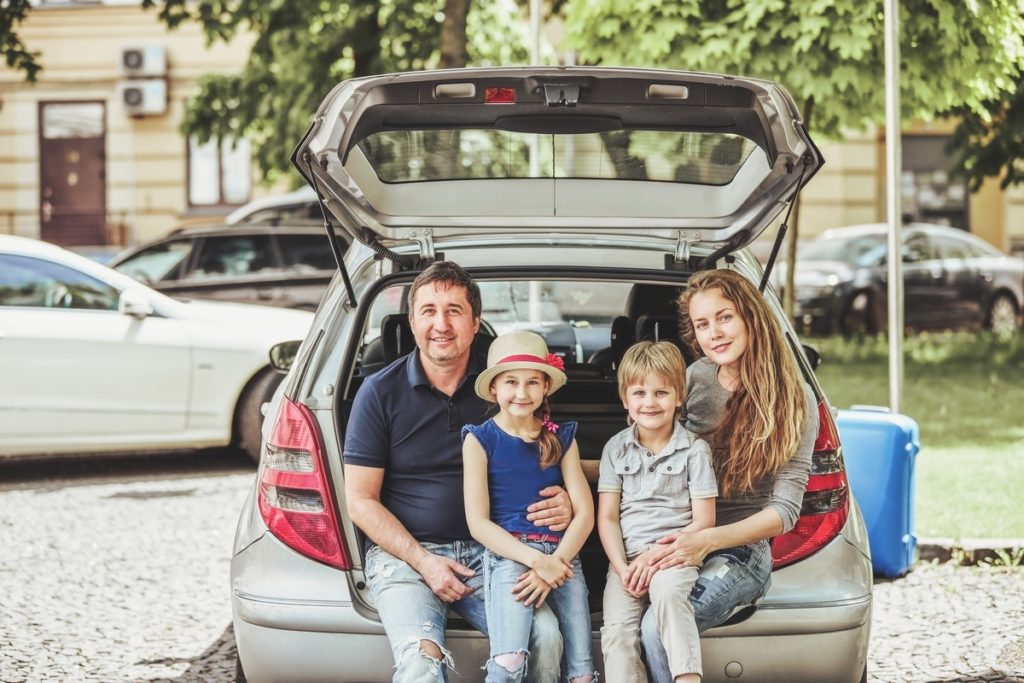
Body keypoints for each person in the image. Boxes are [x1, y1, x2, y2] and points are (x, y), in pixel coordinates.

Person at [343, 262, 572, 682]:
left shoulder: (507, 385)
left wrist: (567, 497)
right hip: (406, 555)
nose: (441, 324)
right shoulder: (378, 392)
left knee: (545, 638)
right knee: (421, 660)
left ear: (475, 322)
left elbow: (548, 455)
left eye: (454, 310)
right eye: (428, 311)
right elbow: (360, 500)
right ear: (412, 321)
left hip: (497, 552)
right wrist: (424, 561)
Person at [641, 268, 818, 682]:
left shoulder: (796, 398)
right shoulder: (697, 377)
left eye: (725, 317)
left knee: (656, 629)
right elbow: (655, 456)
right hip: (682, 533)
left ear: (751, 317)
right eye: (702, 324)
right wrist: (570, 472)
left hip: (740, 551)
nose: (714, 333)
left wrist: (707, 540)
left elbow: (785, 511)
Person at [463, 330, 597, 683]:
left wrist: (558, 561)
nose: (522, 393)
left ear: (545, 387)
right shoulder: (480, 439)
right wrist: (538, 562)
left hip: (565, 558)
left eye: (532, 382)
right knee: (510, 658)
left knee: (582, 668)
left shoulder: (561, 438)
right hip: (511, 557)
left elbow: (584, 513)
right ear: (494, 387)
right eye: (511, 382)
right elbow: (478, 523)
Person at [598, 341, 717, 683]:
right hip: (627, 561)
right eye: (639, 393)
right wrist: (622, 567)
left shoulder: (694, 450)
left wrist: (655, 556)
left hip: (675, 555)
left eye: (661, 392)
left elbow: (705, 520)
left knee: (667, 595)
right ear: (625, 399)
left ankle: (687, 678)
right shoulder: (615, 448)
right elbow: (607, 517)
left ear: (679, 396)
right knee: (617, 633)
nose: (649, 402)